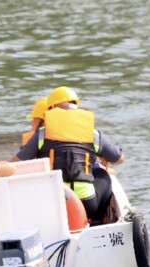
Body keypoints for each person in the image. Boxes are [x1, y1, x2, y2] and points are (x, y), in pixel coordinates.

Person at [12, 86, 125, 224]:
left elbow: (16, 165)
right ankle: (97, 220)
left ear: (51, 109)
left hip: (54, 204)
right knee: (103, 175)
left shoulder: (42, 134)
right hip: (88, 204)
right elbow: (119, 159)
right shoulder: (92, 133)